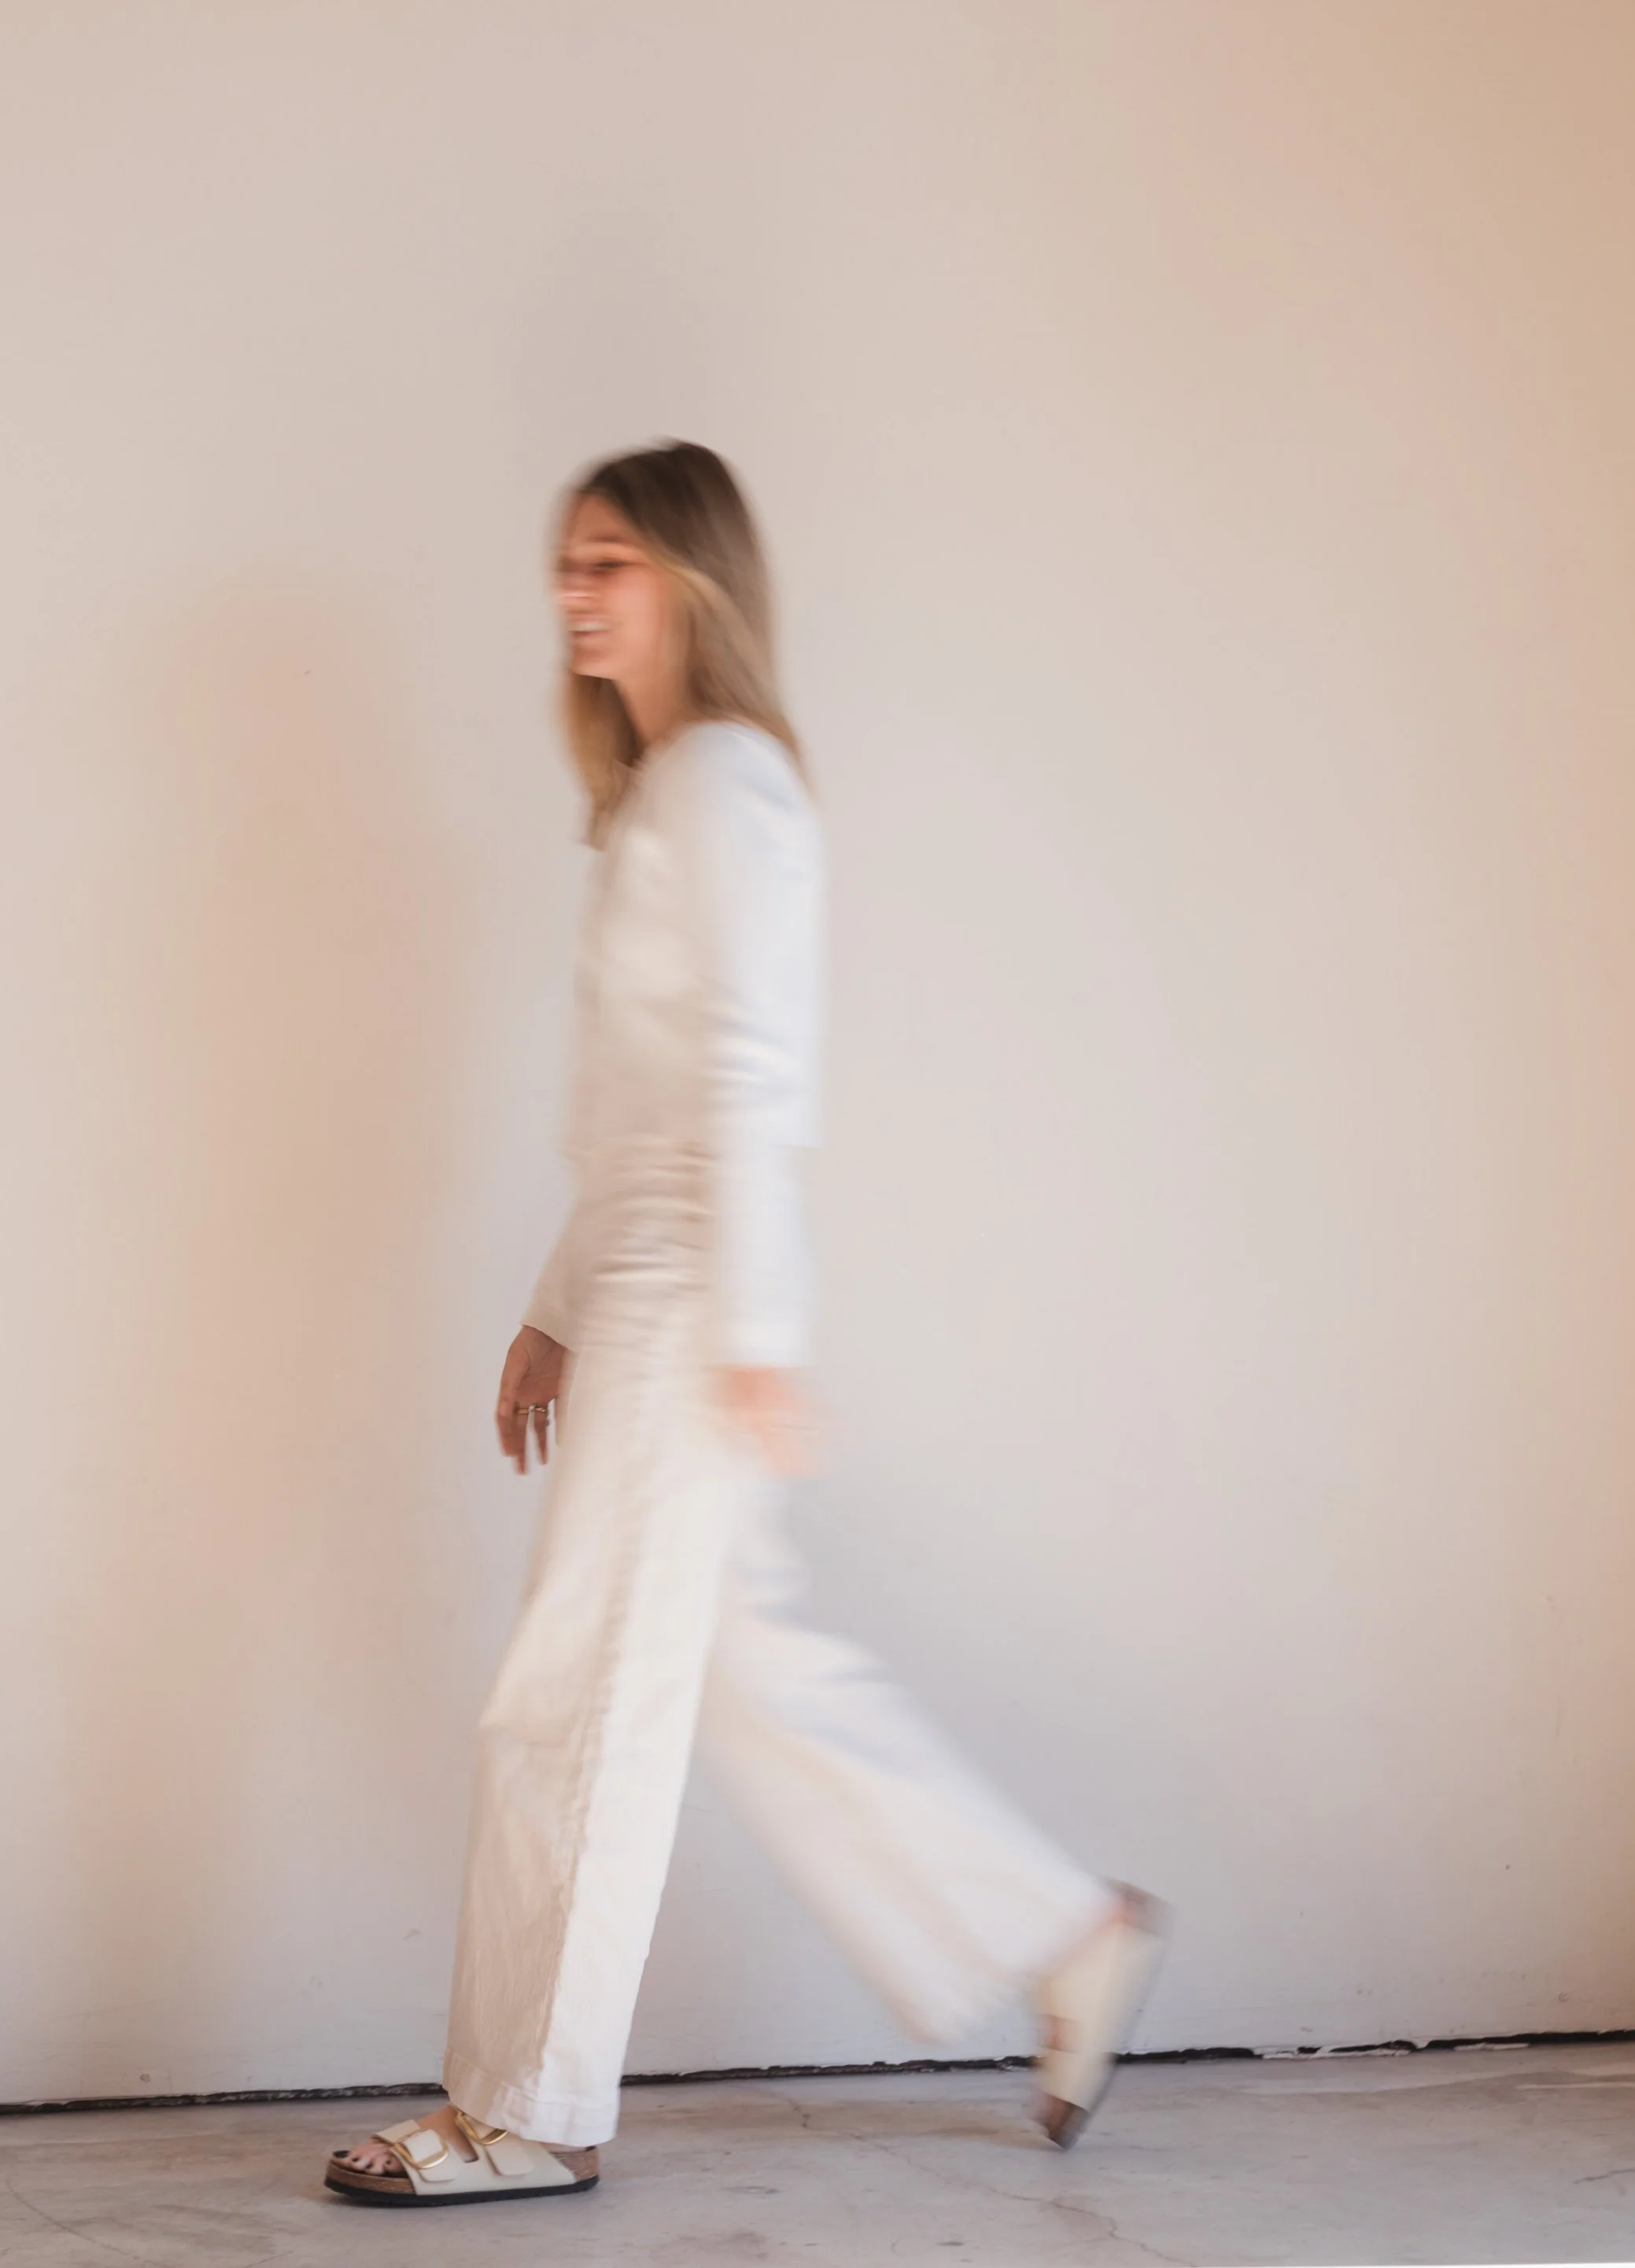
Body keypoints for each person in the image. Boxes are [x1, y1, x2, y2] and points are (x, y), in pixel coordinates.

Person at [327, 440, 1166, 2210]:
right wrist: (555, 1308)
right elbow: (633, 1118)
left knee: (578, 1696)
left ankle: (531, 2112)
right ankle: (1066, 1930)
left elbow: (746, 1081)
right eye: (565, 561)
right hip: (642, 1278)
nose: (575, 593)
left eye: (611, 562)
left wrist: (753, 1331)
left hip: (692, 1295)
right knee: (749, 1676)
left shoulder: (726, 790)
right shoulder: (655, 796)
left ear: (694, 582)